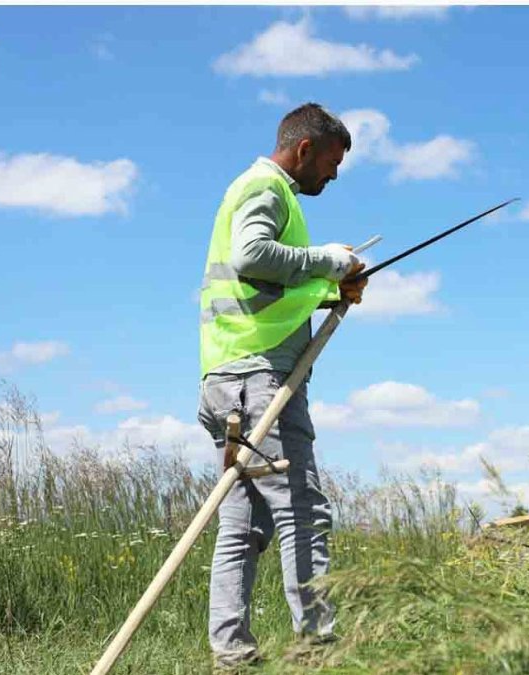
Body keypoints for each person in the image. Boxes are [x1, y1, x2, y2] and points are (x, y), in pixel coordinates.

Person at [197, 102, 367, 669]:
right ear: (304, 150)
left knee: (242, 522)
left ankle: (232, 651)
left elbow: (264, 291)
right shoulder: (267, 188)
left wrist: (328, 292)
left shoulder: (252, 189)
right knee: (303, 509)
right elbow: (252, 257)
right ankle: (318, 649)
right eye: (332, 161)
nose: (334, 174)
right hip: (258, 380)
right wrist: (329, 261)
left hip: (228, 377)